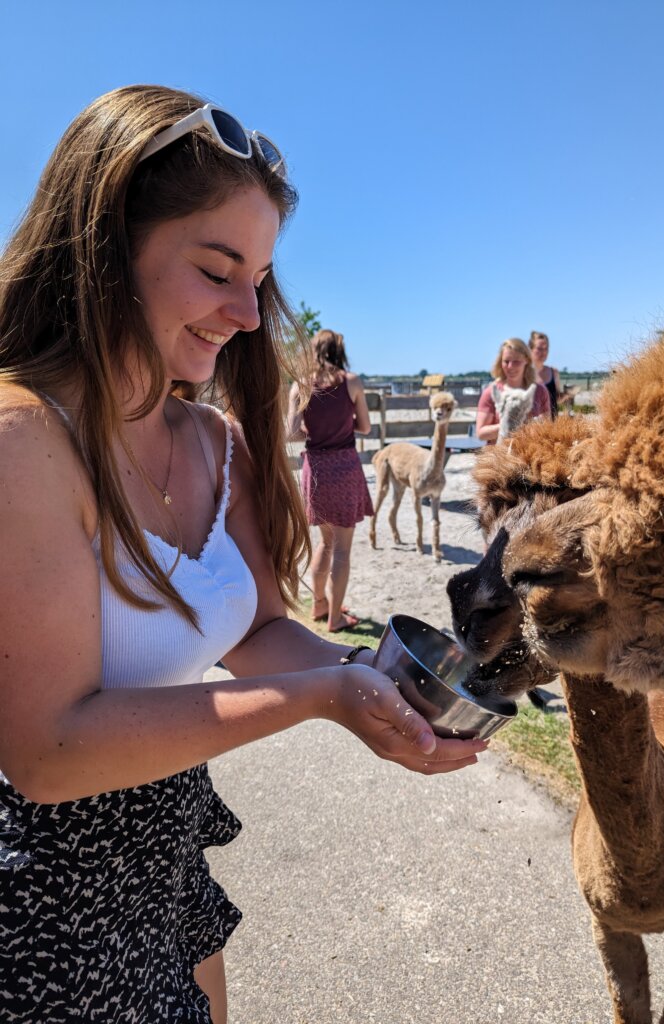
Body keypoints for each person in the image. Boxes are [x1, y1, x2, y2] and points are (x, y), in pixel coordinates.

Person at [0, 85, 486, 1024]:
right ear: (105, 249)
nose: (249, 314)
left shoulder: (216, 443)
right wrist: (320, 697)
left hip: (167, 844)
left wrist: (385, 682)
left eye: (259, 278)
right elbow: (47, 753)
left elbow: (260, 626)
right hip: (39, 896)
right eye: (218, 270)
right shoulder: (22, 438)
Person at [287, 329, 373, 632]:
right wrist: (341, 425)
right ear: (340, 350)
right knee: (342, 550)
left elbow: (291, 432)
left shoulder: (300, 385)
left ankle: (320, 603)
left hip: (316, 468)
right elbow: (365, 427)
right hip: (345, 467)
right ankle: (335, 618)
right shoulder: (351, 382)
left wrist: (315, 430)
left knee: (324, 542)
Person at [475, 337, 550, 443]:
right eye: (506, 361)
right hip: (499, 455)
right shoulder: (491, 392)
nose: (510, 366)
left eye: (516, 362)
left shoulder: (540, 391)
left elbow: (546, 428)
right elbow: (481, 433)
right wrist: (508, 424)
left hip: (530, 455)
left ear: (526, 361)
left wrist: (525, 425)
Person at [528, 330, 562, 419]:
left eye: (546, 348)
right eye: (539, 348)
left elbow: (556, 399)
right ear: (530, 349)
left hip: (552, 427)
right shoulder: (524, 374)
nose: (543, 352)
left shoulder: (554, 372)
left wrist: (569, 394)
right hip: (531, 428)